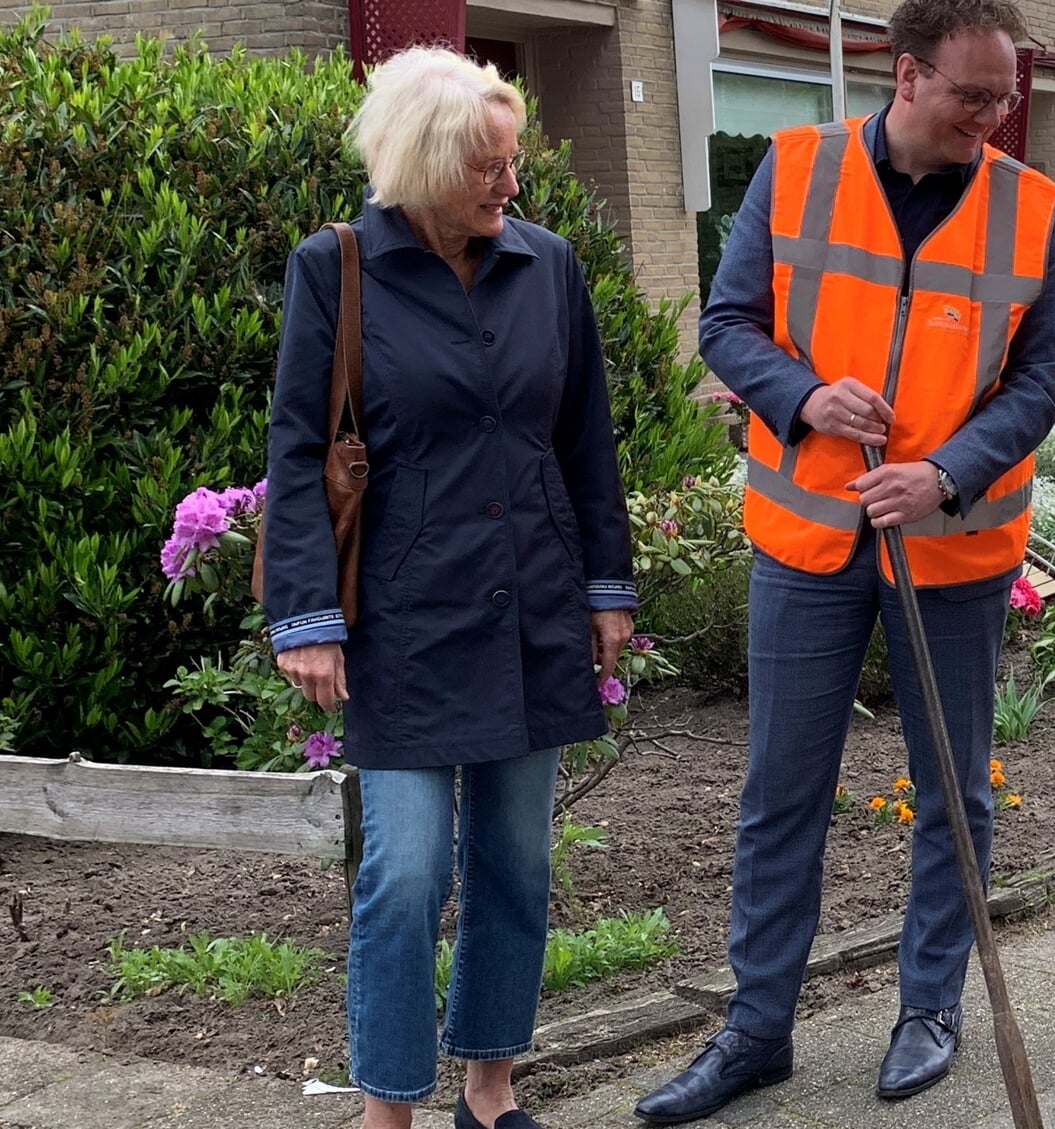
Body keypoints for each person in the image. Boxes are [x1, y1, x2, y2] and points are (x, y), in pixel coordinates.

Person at [631, 0, 1055, 1122]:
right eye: (975, 95)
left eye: (1005, 94)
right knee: (780, 791)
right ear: (908, 74)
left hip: (956, 545)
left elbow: (1041, 377)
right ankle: (756, 1029)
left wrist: (947, 474)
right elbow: (727, 323)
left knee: (954, 794)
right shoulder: (794, 170)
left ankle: (929, 1005)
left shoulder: (1034, 212)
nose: (995, 116)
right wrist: (804, 395)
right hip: (808, 539)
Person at [263, 48, 637, 1129]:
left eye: (511, 162)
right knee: (407, 871)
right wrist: (307, 617)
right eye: (485, 165)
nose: (508, 184)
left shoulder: (548, 266)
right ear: (423, 163)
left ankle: (489, 1088)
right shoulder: (334, 270)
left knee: (517, 858)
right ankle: (389, 1105)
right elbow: (298, 452)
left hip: (533, 599)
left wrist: (606, 589)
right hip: (404, 616)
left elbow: (585, 442)